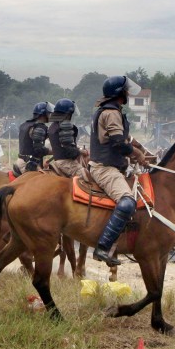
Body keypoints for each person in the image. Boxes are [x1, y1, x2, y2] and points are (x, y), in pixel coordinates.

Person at [89, 75, 150, 266]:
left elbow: (121, 140)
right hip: (106, 168)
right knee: (127, 203)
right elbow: (117, 142)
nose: (127, 94)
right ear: (119, 93)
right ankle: (103, 247)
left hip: (112, 165)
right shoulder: (111, 113)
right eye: (125, 91)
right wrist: (137, 154)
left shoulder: (112, 111)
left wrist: (139, 152)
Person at [48, 98, 84, 178]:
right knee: (88, 177)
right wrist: (80, 152)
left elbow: (63, 145)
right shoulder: (65, 126)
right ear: (68, 113)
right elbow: (70, 152)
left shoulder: (53, 126)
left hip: (57, 161)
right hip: (66, 163)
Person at [15, 102, 50, 175]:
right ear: (43, 114)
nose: (49, 115)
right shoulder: (39, 127)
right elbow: (38, 149)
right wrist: (54, 151)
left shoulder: (26, 124)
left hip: (21, 160)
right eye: (48, 113)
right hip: (30, 164)